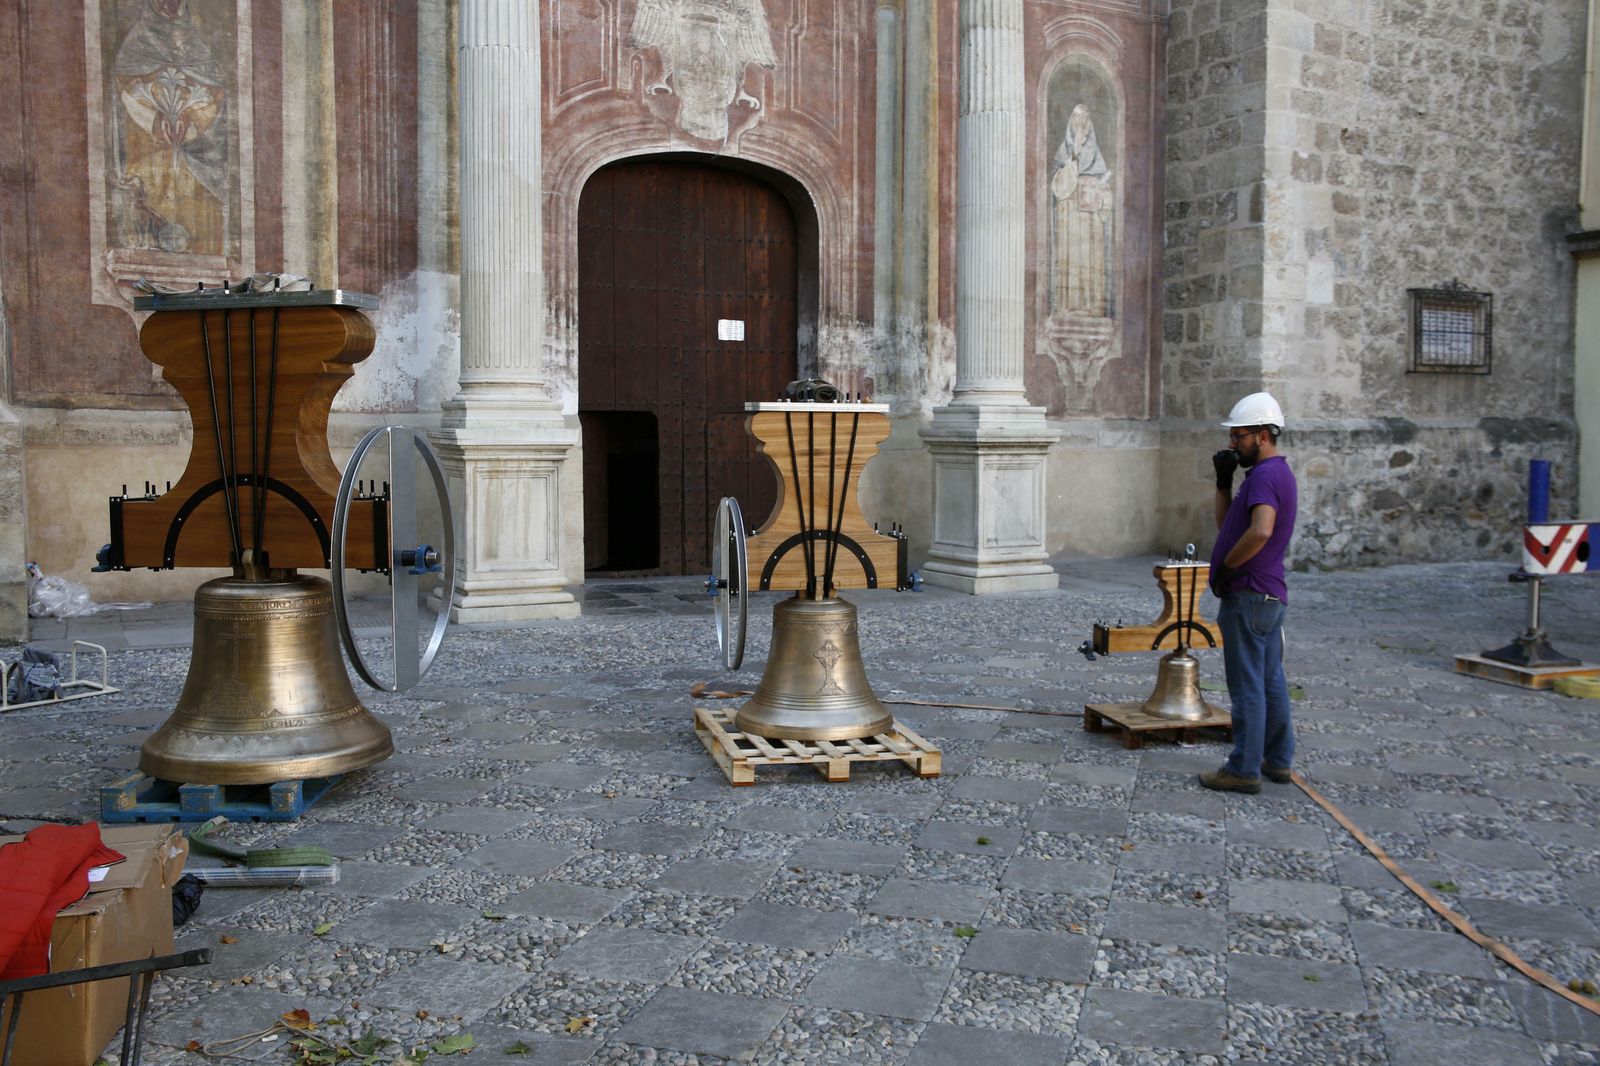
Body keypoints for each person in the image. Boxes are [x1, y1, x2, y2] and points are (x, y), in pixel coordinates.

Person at [1199, 392, 1298, 794]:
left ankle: (1243, 768)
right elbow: (1229, 527)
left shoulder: (1267, 477)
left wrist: (1227, 567)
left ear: (1262, 434)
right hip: (1268, 596)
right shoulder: (1266, 476)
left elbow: (1260, 530)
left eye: (1238, 436)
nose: (1231, 443)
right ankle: (1277, 761)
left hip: (1250, 595)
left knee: (1247, 687)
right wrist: (1224, 483)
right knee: (1271, 680)